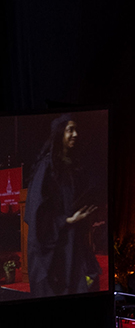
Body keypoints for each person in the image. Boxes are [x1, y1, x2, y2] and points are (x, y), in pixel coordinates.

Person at [24, 114, 105, 298]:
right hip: (54, 250)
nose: (75, 134)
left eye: (76, 130)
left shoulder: (72, 166)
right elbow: (37, 213)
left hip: (73, 243)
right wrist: (68, 219)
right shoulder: (47, 167)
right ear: (60, 134)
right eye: (70, 130)